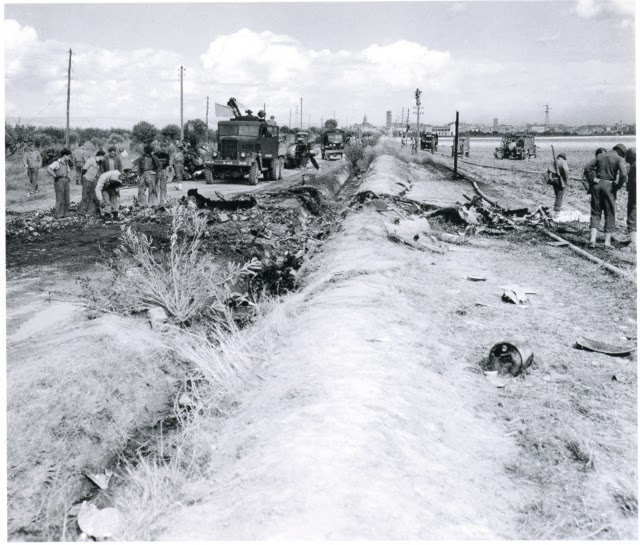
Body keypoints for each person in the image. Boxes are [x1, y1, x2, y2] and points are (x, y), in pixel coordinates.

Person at [583, 143, 628, 249]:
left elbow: (587, 167)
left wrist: (592, 179)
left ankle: (592, 240)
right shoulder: (619, 158)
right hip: (609, 187)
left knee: (595, 212)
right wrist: (618, 186)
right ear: (620, 152)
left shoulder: (601, 156)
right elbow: (624, 174)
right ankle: (607, 243)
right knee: (610, 213)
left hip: (597, 186)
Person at [47, 148, 73, 218]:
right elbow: (49, 169)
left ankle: (66, 213)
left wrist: (68, 178)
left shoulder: (66, 164)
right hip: (59, 181)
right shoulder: (57, 163)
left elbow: (68, 172)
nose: (69, 158)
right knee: (60, 198)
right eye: (69, 156)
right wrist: (54, 175)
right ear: (64, 155)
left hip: (66, 181)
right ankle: (59, 214)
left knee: (67, 197)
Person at [78, 151, 105, 216]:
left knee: (93, 196)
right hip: (87, 179)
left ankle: (90, 211)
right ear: (100, 156)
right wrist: (82, 179)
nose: (104, 158)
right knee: (85, 195)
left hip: (93, 181)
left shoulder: (99, 163)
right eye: (103, 157)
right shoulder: (91, 160)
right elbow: (84, 169)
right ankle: (81, 211)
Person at [624, 148, 636, 252]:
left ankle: (634, 244)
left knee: (632, 216)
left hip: (635, 195)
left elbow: (633, 183)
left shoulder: (634, 167)